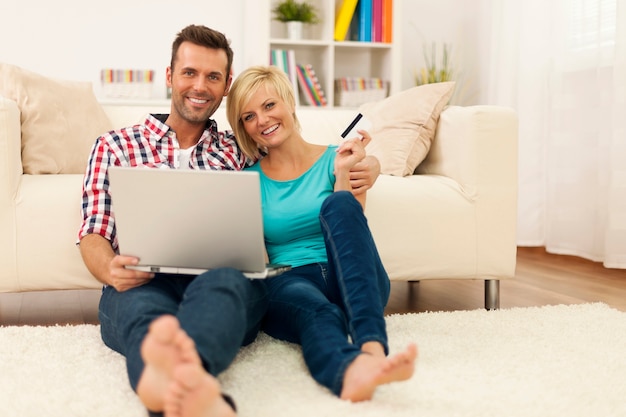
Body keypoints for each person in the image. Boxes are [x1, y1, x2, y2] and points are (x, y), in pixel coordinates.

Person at [77, 25, 380, 417]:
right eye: (189, 72)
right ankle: (184, 389)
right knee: (144, 316)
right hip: (140, 277)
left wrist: (369, 167)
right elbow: (93, 233)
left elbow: (296, 161)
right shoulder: (114, 145)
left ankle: (174, 385)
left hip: (220, 278)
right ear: (170, 76)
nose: (200, 86)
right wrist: (109, 270)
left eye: (213, 77)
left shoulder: (239, 148)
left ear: (225, 87)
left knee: (228, 286)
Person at [225, 66, 418, 403]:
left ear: (289, 103)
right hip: (291, 280)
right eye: (248, 116)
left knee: (339, 205)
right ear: (244, 128)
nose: (262, 120)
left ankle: (372, 348)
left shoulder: (338, 158)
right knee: (321, 314)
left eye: (269, 105)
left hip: (354, 275)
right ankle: (349, 373)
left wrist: (344, 174)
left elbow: (352, 229)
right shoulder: (248, 179)